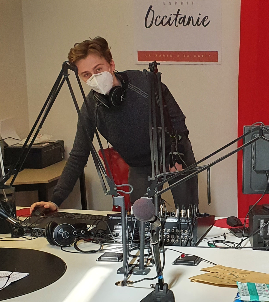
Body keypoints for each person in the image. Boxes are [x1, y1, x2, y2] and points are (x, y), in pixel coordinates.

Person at [31, 36, 198, 214]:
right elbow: (78, 155)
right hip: (140, 166)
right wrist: (55, 200)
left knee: (187, 216)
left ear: (111, 65)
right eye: (86, 74)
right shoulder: (91, 108)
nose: (94, 77)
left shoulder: (145, 82)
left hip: (174, 155)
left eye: (98, 69)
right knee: (142, 221)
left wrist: (177, 154)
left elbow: (178, 121)